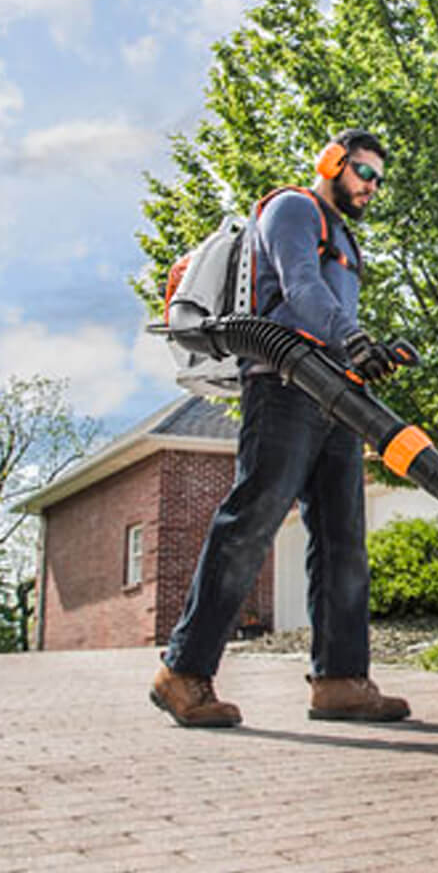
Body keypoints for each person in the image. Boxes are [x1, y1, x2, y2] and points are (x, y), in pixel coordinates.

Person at [150, 128, 411, 728]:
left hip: (336, 392)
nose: (373, 187)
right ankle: (182, 672)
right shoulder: (294, 208)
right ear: (332, 162)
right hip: (284, 383)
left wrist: (370, 354)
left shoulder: (345, 237)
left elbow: (333, 307)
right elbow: (299, 285)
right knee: (251, 521)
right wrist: (350, 339)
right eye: (364, 173)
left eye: (379, 180)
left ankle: (341, 680)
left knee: (343, 537)